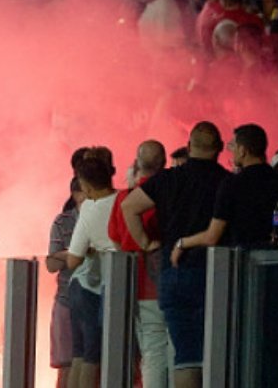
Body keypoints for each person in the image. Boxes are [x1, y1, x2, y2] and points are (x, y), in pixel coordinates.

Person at [171, 125, 278, 386]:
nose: (231, 151)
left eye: (233, 146)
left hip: (245, 276)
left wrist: (182, 242)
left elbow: (213, 235)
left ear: (243, 150)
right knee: (277, 340)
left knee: (244, 340)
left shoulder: (232, 184)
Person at [121, 122, 230, 388]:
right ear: (219, 149)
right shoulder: (228, 182)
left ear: (190, 146)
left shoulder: (169, 179)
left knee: (186, 356)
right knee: (221, 353)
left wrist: (146, 242)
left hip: (176, 271)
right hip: (222, 273)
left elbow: (129, 206)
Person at [108, 140, 169, 388]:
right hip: (166, 278)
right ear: (164, 164)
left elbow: (114, 237)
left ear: (136, 162)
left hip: (138, 285)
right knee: (175, 347)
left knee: (151, 349)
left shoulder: (124, 197)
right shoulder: (170, 194)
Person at [65, 152, 118, 388]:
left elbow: (72, 260)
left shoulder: (88, 209)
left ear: (84, 184)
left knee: (83, 354)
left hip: (84, 284)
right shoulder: (126, 200)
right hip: (109, 284)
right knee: (96, 353)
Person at [45, 178, 84, 387]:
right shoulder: (62, 221)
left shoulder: (104, 217)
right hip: (66, 299)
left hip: (96, 299)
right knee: (66, 364)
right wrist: (75, 254)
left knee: (90, 361)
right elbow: (50, 263)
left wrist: (65, 256)